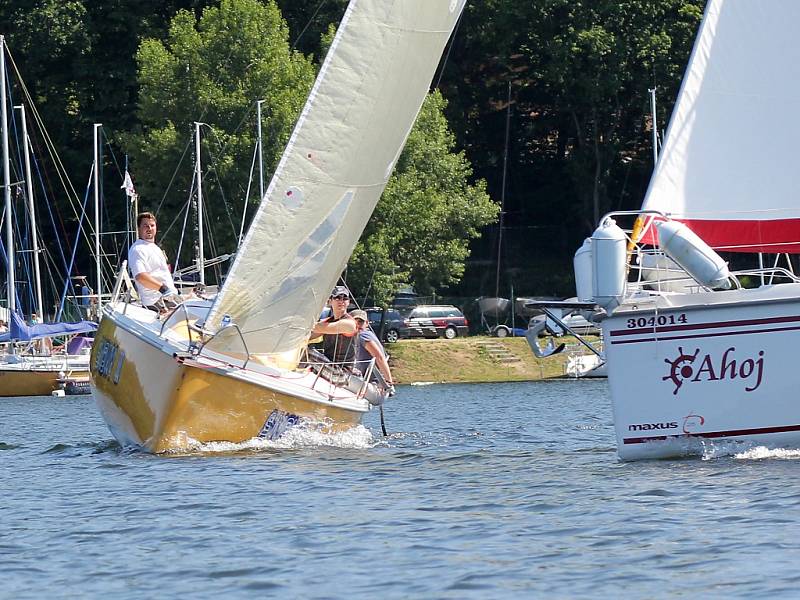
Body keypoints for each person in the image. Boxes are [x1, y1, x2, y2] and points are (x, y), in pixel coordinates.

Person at [128, 211, 179, 311]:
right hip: (156, 303)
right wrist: (164, 289)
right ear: (138, 228)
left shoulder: (155, 248)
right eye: (145, 226)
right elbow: (141, 276)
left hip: (168, 298)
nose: (149, 228)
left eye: (152, 225)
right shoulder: (138, 249)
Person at [351, 309, 395, 395]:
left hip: (372, 382)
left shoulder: (363, 335)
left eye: (361, 322)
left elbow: (379, 357)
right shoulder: (369, 334)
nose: (358, 325)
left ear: (366, 323)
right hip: (367, 379)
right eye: (354, 322)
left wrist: (389, 382)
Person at [311, 285, 357, 366]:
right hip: (329, 365)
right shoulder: (328, 321)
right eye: (337, 298)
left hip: (343, 369)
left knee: (309, 354)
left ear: (348, 302)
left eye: (345, 298)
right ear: (330, 301)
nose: (341, 301)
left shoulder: (349, 323)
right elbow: (310, 335)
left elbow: (318, 328)